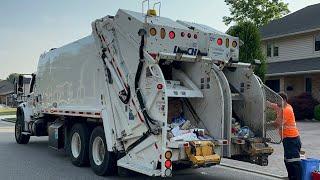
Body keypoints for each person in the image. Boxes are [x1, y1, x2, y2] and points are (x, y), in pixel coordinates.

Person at [269, 92, 302, 180]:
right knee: (287, 160)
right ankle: (291, 177)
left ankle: (296, 178)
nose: (277, 103)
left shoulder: (286, 110)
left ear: (283, 100)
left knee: (293, 161)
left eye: (278, 101)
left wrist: (265, 124)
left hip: (292, 139)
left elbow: (277, 124)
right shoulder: (281, 106)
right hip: (287, 139)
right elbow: (272, 105)